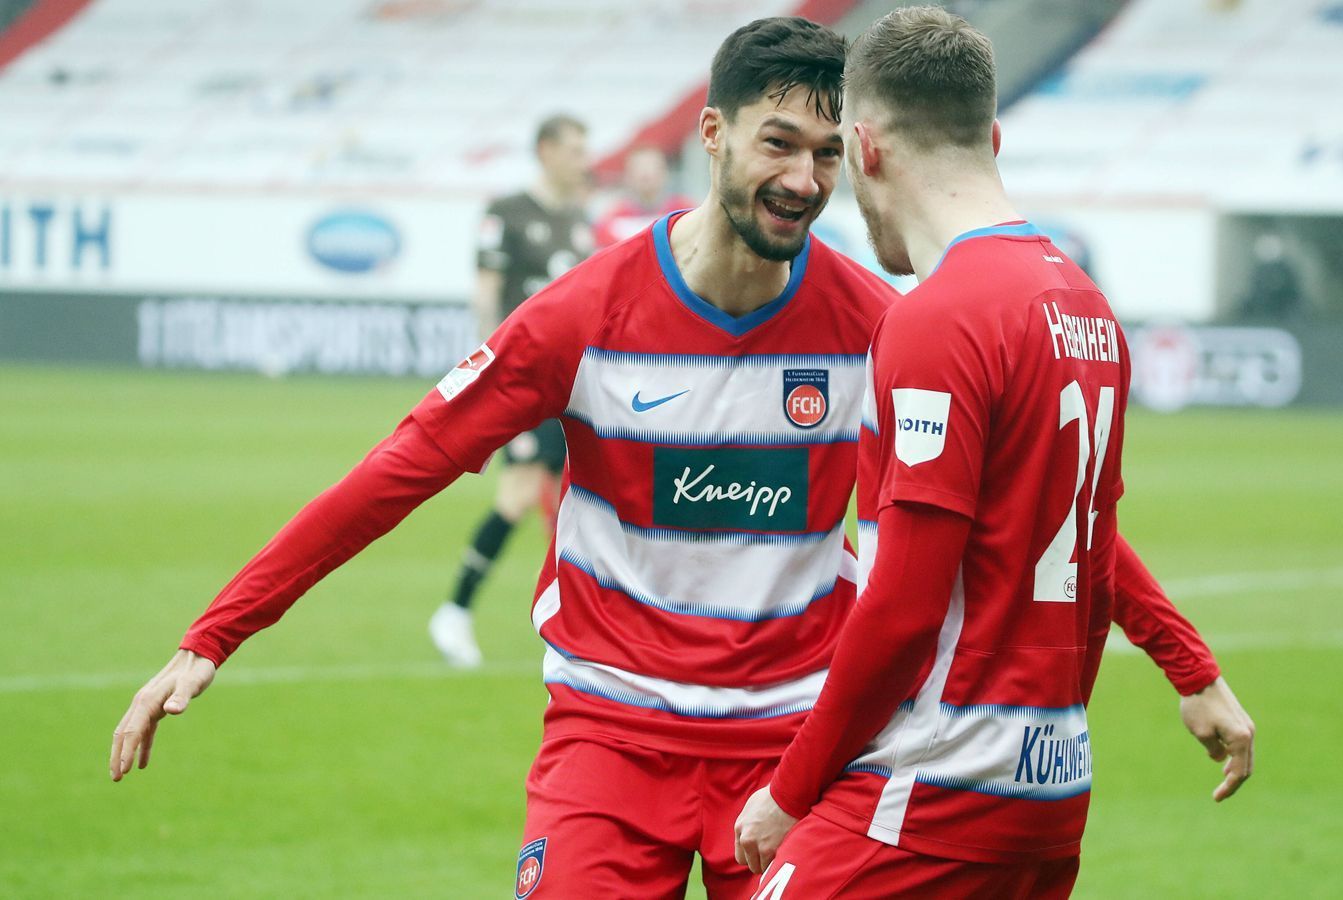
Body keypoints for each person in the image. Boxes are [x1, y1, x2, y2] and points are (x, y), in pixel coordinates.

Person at [111, 15, 1240, 899]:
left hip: (800, 749)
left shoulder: (874, 321)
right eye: (776, 144)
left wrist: (1185, 664)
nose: (803, 177)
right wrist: (217, 633)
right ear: (712, 137)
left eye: (825, 153)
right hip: (611, 744)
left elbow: (1028, 504)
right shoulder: (583, 315)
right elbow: (401, 466)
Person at [733, 8, 1255, 896]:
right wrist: (1190, 666)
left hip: (935, 786)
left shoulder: (936, 321)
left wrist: (788, 793)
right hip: (1050, 785)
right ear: (993, 136)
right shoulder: (1083, 305)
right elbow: (1075, 521)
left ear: (865, 148)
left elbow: (902, 608)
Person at [429, 113, 596, 668]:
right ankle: (454, 612)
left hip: (573, 384)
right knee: (521, 493)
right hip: (523, 380)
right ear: (546, 150)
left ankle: (581, 623)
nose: (583, 160)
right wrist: (489, 374)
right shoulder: (506, 214)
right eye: (574, 149)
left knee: (579, 499)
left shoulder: (577, 219)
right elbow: (487, 294)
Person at [593, 145, 695, 247]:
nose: (646, 173)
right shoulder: (612, 219)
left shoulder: (685, 211)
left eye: (652, 166)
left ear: (665, 172)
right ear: (628, 176)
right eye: (639, 167)